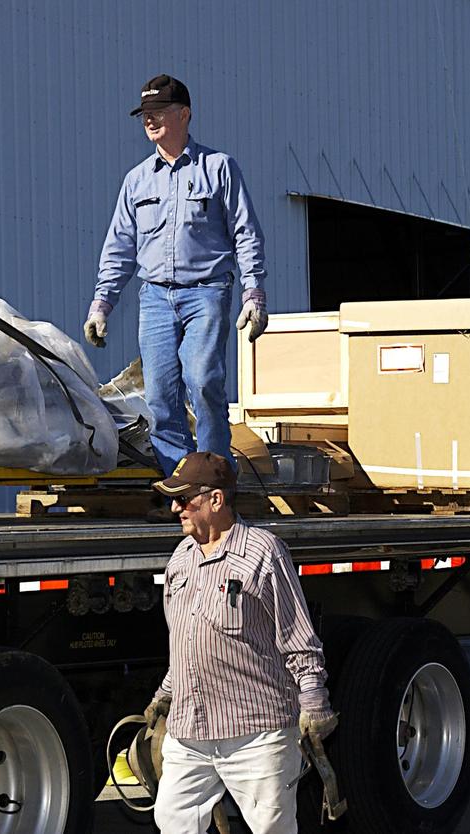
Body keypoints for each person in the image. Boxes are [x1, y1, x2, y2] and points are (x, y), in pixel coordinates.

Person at [143, 451, 337, 834]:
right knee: (171, 820)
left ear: (216, 500)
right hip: (190, 733)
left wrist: (314, 702)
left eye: (184, 499)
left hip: (256, 735)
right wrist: (165, 695)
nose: (174, 507)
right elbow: (183, 642)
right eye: (173, 498)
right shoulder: (179, 560)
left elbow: (298, 637)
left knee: (270, 829)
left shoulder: (264, 553)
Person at [86, 74, 269, 475]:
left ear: (184, 114)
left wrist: (253, 293)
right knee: (161, 397)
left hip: (206, 292)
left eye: (158, 112)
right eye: (144, 115)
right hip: (154, 298)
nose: (149, 121)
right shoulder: (137, 181)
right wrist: (102, 304)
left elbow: (245, 232)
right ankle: (182, 486)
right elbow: (120, 245)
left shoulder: (219, 168)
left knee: (203, 381)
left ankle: (216, 479)